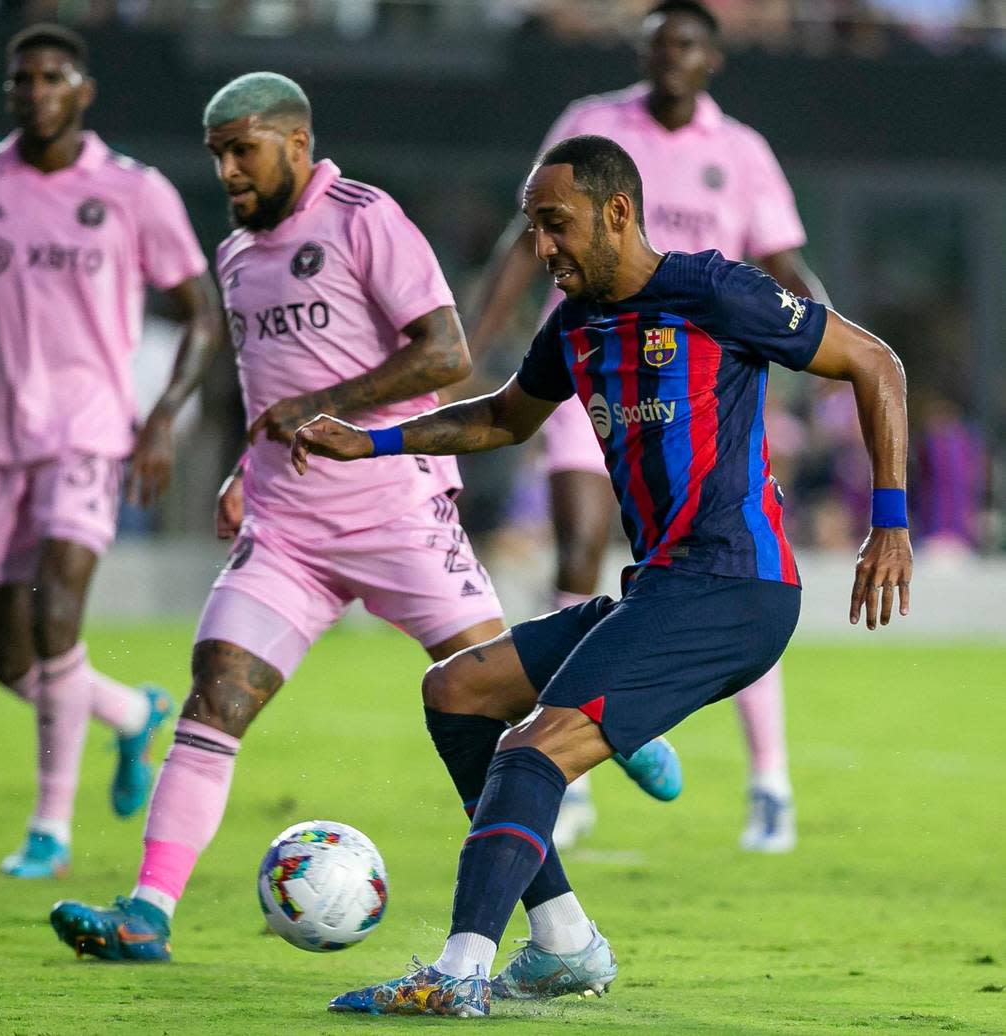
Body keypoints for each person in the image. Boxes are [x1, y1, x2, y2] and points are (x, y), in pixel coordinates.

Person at [46, 74, 680, 963]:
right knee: (217, 694)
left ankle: (614, 749)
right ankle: (147, 913)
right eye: (217, 153)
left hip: (396, 511)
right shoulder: (236, 255)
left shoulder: (362, 216)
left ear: (295, 143)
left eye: (243, 149)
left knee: (501, 706)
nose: (227, 169)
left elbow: (447, 350)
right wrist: (243, 462)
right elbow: (273, 386)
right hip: (287, 526)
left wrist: (329, 404)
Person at [292, 135, 912, 1015]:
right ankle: (564, 947)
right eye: (533, 228)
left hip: (734, 588)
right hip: (662, 586)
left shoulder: (713, 290)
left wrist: (889, 523)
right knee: (460, 692)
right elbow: (507, 417)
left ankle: (458, 972)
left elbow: (874, 362)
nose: (542, 248)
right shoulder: (576, 324)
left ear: (618, 212)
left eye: (556, 225)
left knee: (530, 751)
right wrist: (375, 440)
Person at [468, 0, 827, 852]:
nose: (672, 58)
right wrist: (473, 344)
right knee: (578, 545)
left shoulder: (739, 152)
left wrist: (824, 341)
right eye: (659, 44)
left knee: (724, 569)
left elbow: (780, 260)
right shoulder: (592, 125)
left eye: (688, 45)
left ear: (713, 60)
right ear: (643, 52)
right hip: (597, 366)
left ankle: (769, 778)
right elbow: (529, 244)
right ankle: (574, 756)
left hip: (701, 390)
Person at [0, 25, 220, 879]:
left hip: (89, 431)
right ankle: (129, 713)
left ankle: (50, 828)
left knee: (56, 614)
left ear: (83, 90)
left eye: (50, 76)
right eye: (20, 78)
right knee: (6, 657)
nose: (33, 90)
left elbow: (201, 315)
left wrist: (156, 419)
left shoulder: (133, 192)